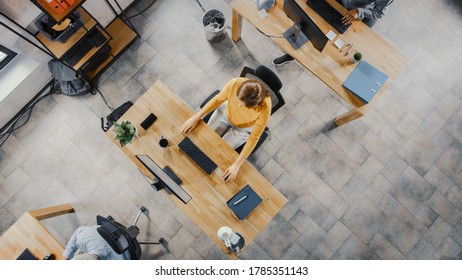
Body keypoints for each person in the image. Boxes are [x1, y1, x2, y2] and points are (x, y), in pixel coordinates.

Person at [181, 77, 271, 182]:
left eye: (243, 106)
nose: (238, 105)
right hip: (225, 114)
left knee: (218, 155)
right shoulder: (235, 83)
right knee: (203, 142)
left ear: (255, 106)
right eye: (238, 101)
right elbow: (218, 100)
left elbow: (254, 138)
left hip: (244, 128)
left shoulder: (265, 108)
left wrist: (237, 165)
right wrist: (196, 117)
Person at [272, 0, 395, 66]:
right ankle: (292, 53)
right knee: (307, 18)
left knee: (330, 39)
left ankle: (314, 58)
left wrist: (359, 11)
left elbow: (379, 12)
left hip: (353, 11)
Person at [63, 225, 131, 260]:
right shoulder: (82, 236)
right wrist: (66, 256)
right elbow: (77, 231)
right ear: (79, 255)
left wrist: (67, 256)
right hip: (110, 228)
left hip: (128, 248)